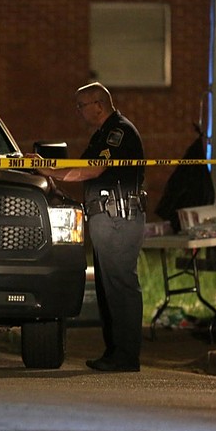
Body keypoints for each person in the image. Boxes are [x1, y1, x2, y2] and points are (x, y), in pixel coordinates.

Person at [35, 82, 146, 372]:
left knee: (120, 287)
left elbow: (93, 169)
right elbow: (84, 164)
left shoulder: (117, 132)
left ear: (98, 105)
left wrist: (50, 171)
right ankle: (115, 353)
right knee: (108, 289)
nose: (79, 112)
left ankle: (125, 355)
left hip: (118, 217)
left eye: (81, 105)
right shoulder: (102, 135)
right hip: (106, 218)